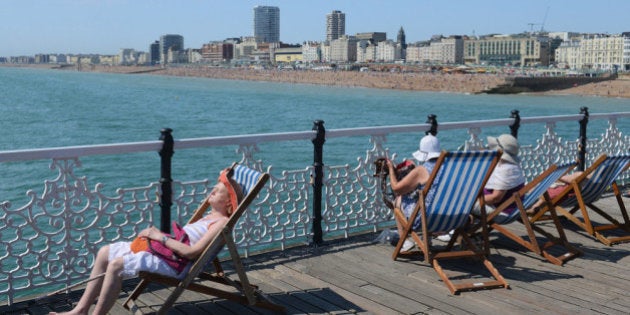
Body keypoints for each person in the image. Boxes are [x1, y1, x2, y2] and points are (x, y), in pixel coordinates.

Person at [49, 169, 244, 315]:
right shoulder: (208, 217)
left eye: (217, 191)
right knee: (105, 252)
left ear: (228, 202)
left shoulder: (222, 223)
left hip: (177, 264)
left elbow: (192, 253)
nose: (211, 192)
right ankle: (81, 309)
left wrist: (160, 237)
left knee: (117, 266)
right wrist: (157, 237)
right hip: (167, 255)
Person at [386, 134, 442, 251]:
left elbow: (396, 188)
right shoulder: (447, 167)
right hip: (452, 218)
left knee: (398, 200)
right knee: (432, 198)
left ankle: (405, 241)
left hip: (426, 220)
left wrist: (391, 169)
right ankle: (427, 240)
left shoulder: (422, 170)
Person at [470, 134, 526, 226]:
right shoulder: (512, 166)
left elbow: (495, 198)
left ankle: (456, 230)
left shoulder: (505, 170)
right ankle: (469, 225)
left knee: (459, 203)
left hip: (502, 213)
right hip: (515, 209)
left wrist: (471, 200)